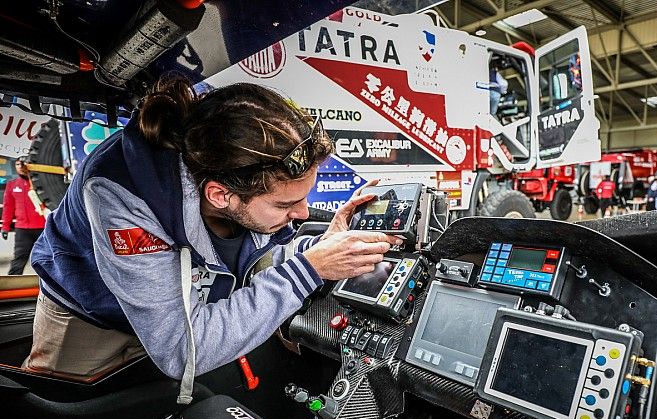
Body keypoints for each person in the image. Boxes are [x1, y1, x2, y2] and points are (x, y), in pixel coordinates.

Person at [24, 78, 400, 402]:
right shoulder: (123, 196)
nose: (303, 213)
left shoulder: (233, 171)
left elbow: (259, 255)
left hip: (178, 317)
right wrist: (309, 269)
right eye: (287, 203)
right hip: (89, 320)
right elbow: (180, 352)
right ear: (221, 196)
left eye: (305, 198)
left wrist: (321, 249)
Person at [1, 158, 48, 275]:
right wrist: (5, 227)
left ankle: (53, 288)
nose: (20, 166)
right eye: (17, 164)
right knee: (19, 259)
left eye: (23, 164)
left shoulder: (43, 183)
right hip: (23, 230)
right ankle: (11, 287)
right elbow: (8, 208)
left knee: (48, 259)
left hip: (43, 228)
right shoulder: (12, 185)